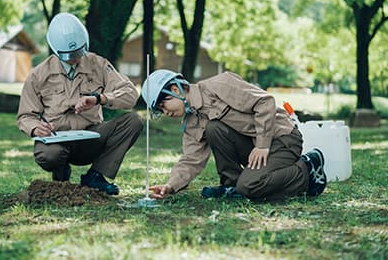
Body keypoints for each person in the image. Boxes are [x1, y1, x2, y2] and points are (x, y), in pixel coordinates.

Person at [141, 69, 327, 201]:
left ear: (175, 90)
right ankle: (231, 185)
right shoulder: (191, 122)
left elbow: (265, 102)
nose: (165, 112)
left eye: (162, 105)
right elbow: (191, 159)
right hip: (255, 148)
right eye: (159, 110)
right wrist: (170, 185)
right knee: (214, 128)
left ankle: (306, 170)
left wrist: (262, 145)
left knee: (250, 187)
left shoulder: (219, 84)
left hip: (281, 138)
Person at [17, 12, 143, 195]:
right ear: (55, 49)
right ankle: (60, 171)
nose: (74, 58)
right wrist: (36, 128)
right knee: (48, 156)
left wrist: (100, 98)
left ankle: (96, 176)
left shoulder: (98, 64)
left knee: (133, 121)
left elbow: (130, 94)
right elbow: (25, 116)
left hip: (91, 137)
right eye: (68, 55)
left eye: (78, 52)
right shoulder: (38, 75)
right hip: (56, 139)